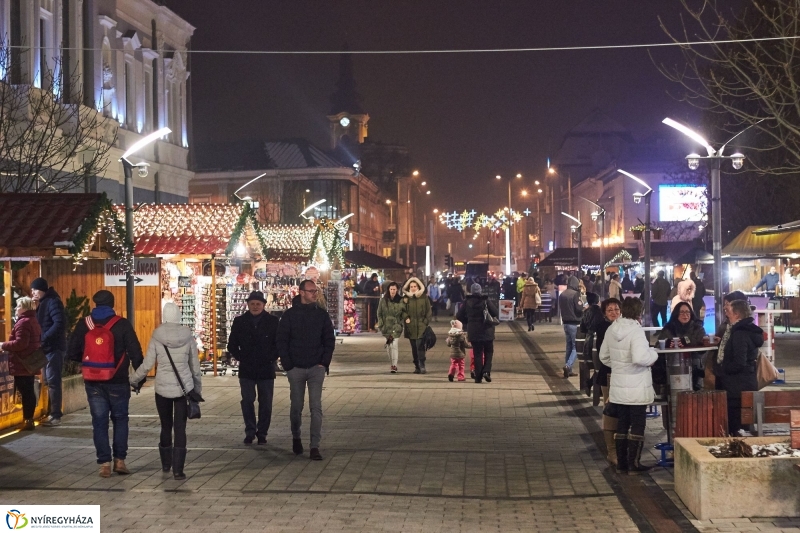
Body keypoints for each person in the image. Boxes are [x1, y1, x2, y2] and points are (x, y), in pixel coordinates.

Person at [68, 290, 143, 477]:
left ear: (95, 303)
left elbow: (71, 352)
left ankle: (104, 464)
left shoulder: (84, 324)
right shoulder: (122, 324)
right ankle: (120, 461)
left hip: (93, 381)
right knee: (120, 419)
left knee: (99, 422)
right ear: (112, 304)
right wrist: (139, 378)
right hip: (118, 380)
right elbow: (135, 352)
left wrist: (87, 362)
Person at [130, 303, 202, 480]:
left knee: (165, 425)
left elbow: (147, 364)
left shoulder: (157, 336)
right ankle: (178, 470)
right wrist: (197, 391)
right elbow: (195, 368)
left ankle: (166, 464)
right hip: (184, 389)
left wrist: (134, 380)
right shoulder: (188, 337)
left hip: (162, 388)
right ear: (179, 316)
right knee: (180, 428)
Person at [277, 280, 336, 460]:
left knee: (316, 407)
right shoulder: (290, 315)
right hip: (296, 368)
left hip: (316, 367)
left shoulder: (321, 315)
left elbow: (329, 339)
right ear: (301, 292)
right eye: (311, 291)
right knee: (296, 407)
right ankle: (296, 436)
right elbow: (282, 340)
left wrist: (324, 362)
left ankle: (314, 446)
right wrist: (288, 364)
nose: (315, 294)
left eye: (315, 291)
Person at [599, 297, 658, 475]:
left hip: (618, 386)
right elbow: (640, 358)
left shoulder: (612, 329)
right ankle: (634, 464)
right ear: (639, 312)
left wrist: (619, 366)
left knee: (622, 424)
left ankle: (621, 464)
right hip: (637, 386)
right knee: (638, 424)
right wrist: (653, 354)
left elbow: (603, 356)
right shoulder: (636, 330)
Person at [227, 291, 280, 445]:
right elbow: (232, 344)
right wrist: (241, 357)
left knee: (266, 403)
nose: (255, 306)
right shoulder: (240, 321)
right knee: (247, 400)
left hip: (266, 368)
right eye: (252, 304)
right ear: (248, 305)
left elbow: (279, 343)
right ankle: (250, 431)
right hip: (247, 368)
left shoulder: (273, 321)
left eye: (258, 304)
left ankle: (262, 433)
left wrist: (271, 357)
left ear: (263, 305)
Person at [715, 300, 762, 435]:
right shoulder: (745, 330)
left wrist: (722, 369)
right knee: (744, 425)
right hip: (744, 384)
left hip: (737, 387)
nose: (726, 314)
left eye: (728, 311)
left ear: (737, 314)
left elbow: (739, 362)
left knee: (738, 428)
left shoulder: (739, 333)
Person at [30, 277, 66, 427]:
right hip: (46, 348)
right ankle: (51, 413)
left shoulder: (52, 302)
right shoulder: (43, 302)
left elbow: (59, 323)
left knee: (53, 381)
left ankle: (55, 415)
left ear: (42, 289)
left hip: (53, 348)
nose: (33, 292)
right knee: (48, 381)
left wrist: (44, 338)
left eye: (35, 289)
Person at [3, 297, 41, 431]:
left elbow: (20, 344)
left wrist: (3, 345)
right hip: (29, 362)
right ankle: (29, 419)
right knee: (28, 391)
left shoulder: (23, 322)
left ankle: (28, 420)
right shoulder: (32, 320)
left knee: (26, 392)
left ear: (25, 308)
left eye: (18, 306)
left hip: (22, 362)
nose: (16, 308)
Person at [594, 298, 621, 465]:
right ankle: (611, 450)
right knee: (610, 410)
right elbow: (603, 353)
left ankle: (620, 446)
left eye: (616, 309)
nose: (614, 313)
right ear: (604, 313)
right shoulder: (603, 327)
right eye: (610, 310)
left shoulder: (625, 326)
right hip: (608, 374)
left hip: (624, 374)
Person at [457, 283, 499, 383]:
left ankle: (478, 377)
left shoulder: (467, 302)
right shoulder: (485, 300)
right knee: (489, 352)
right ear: (480, 291)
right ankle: (486, 371)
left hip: (474, 331)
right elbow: (495, 313)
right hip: (487, 330)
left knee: (477, 354)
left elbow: (459, 315)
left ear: (471, 291)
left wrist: (468, 322)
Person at [401, 277, 432, 374]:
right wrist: (406, 317)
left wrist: (425, 322)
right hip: (410, 326)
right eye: (411, 286)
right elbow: (402, 310)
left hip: (421, 325)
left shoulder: (423, 297)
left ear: (418, 287)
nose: (413, 288)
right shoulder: (406, 298)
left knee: (420, 346)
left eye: (415, 286)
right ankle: (417, 366)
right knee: (414, 347)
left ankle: (422, 364)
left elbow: (428, 311)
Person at [558, 275, 584, 379]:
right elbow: (579, 308)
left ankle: (569, 370)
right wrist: (584, 306)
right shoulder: (575, 294)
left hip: (565, 323)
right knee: (577, 346)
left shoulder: (563, 294)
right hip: (575, 323)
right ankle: (568, 366)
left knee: (569, 346)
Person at [377, 282, 404, 373]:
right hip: (386, 327)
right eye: (391, 289)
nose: (393, 291)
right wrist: (381, 324)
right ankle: (392, 363)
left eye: (394, 289)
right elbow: (379, 313)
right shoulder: (383, 300)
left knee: (394, 344)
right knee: (389, 346)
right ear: (388, 290)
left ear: (397, 290)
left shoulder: (400, 300)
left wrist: (400, 323)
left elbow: (403, 312)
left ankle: (394, 365)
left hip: (396, 326)